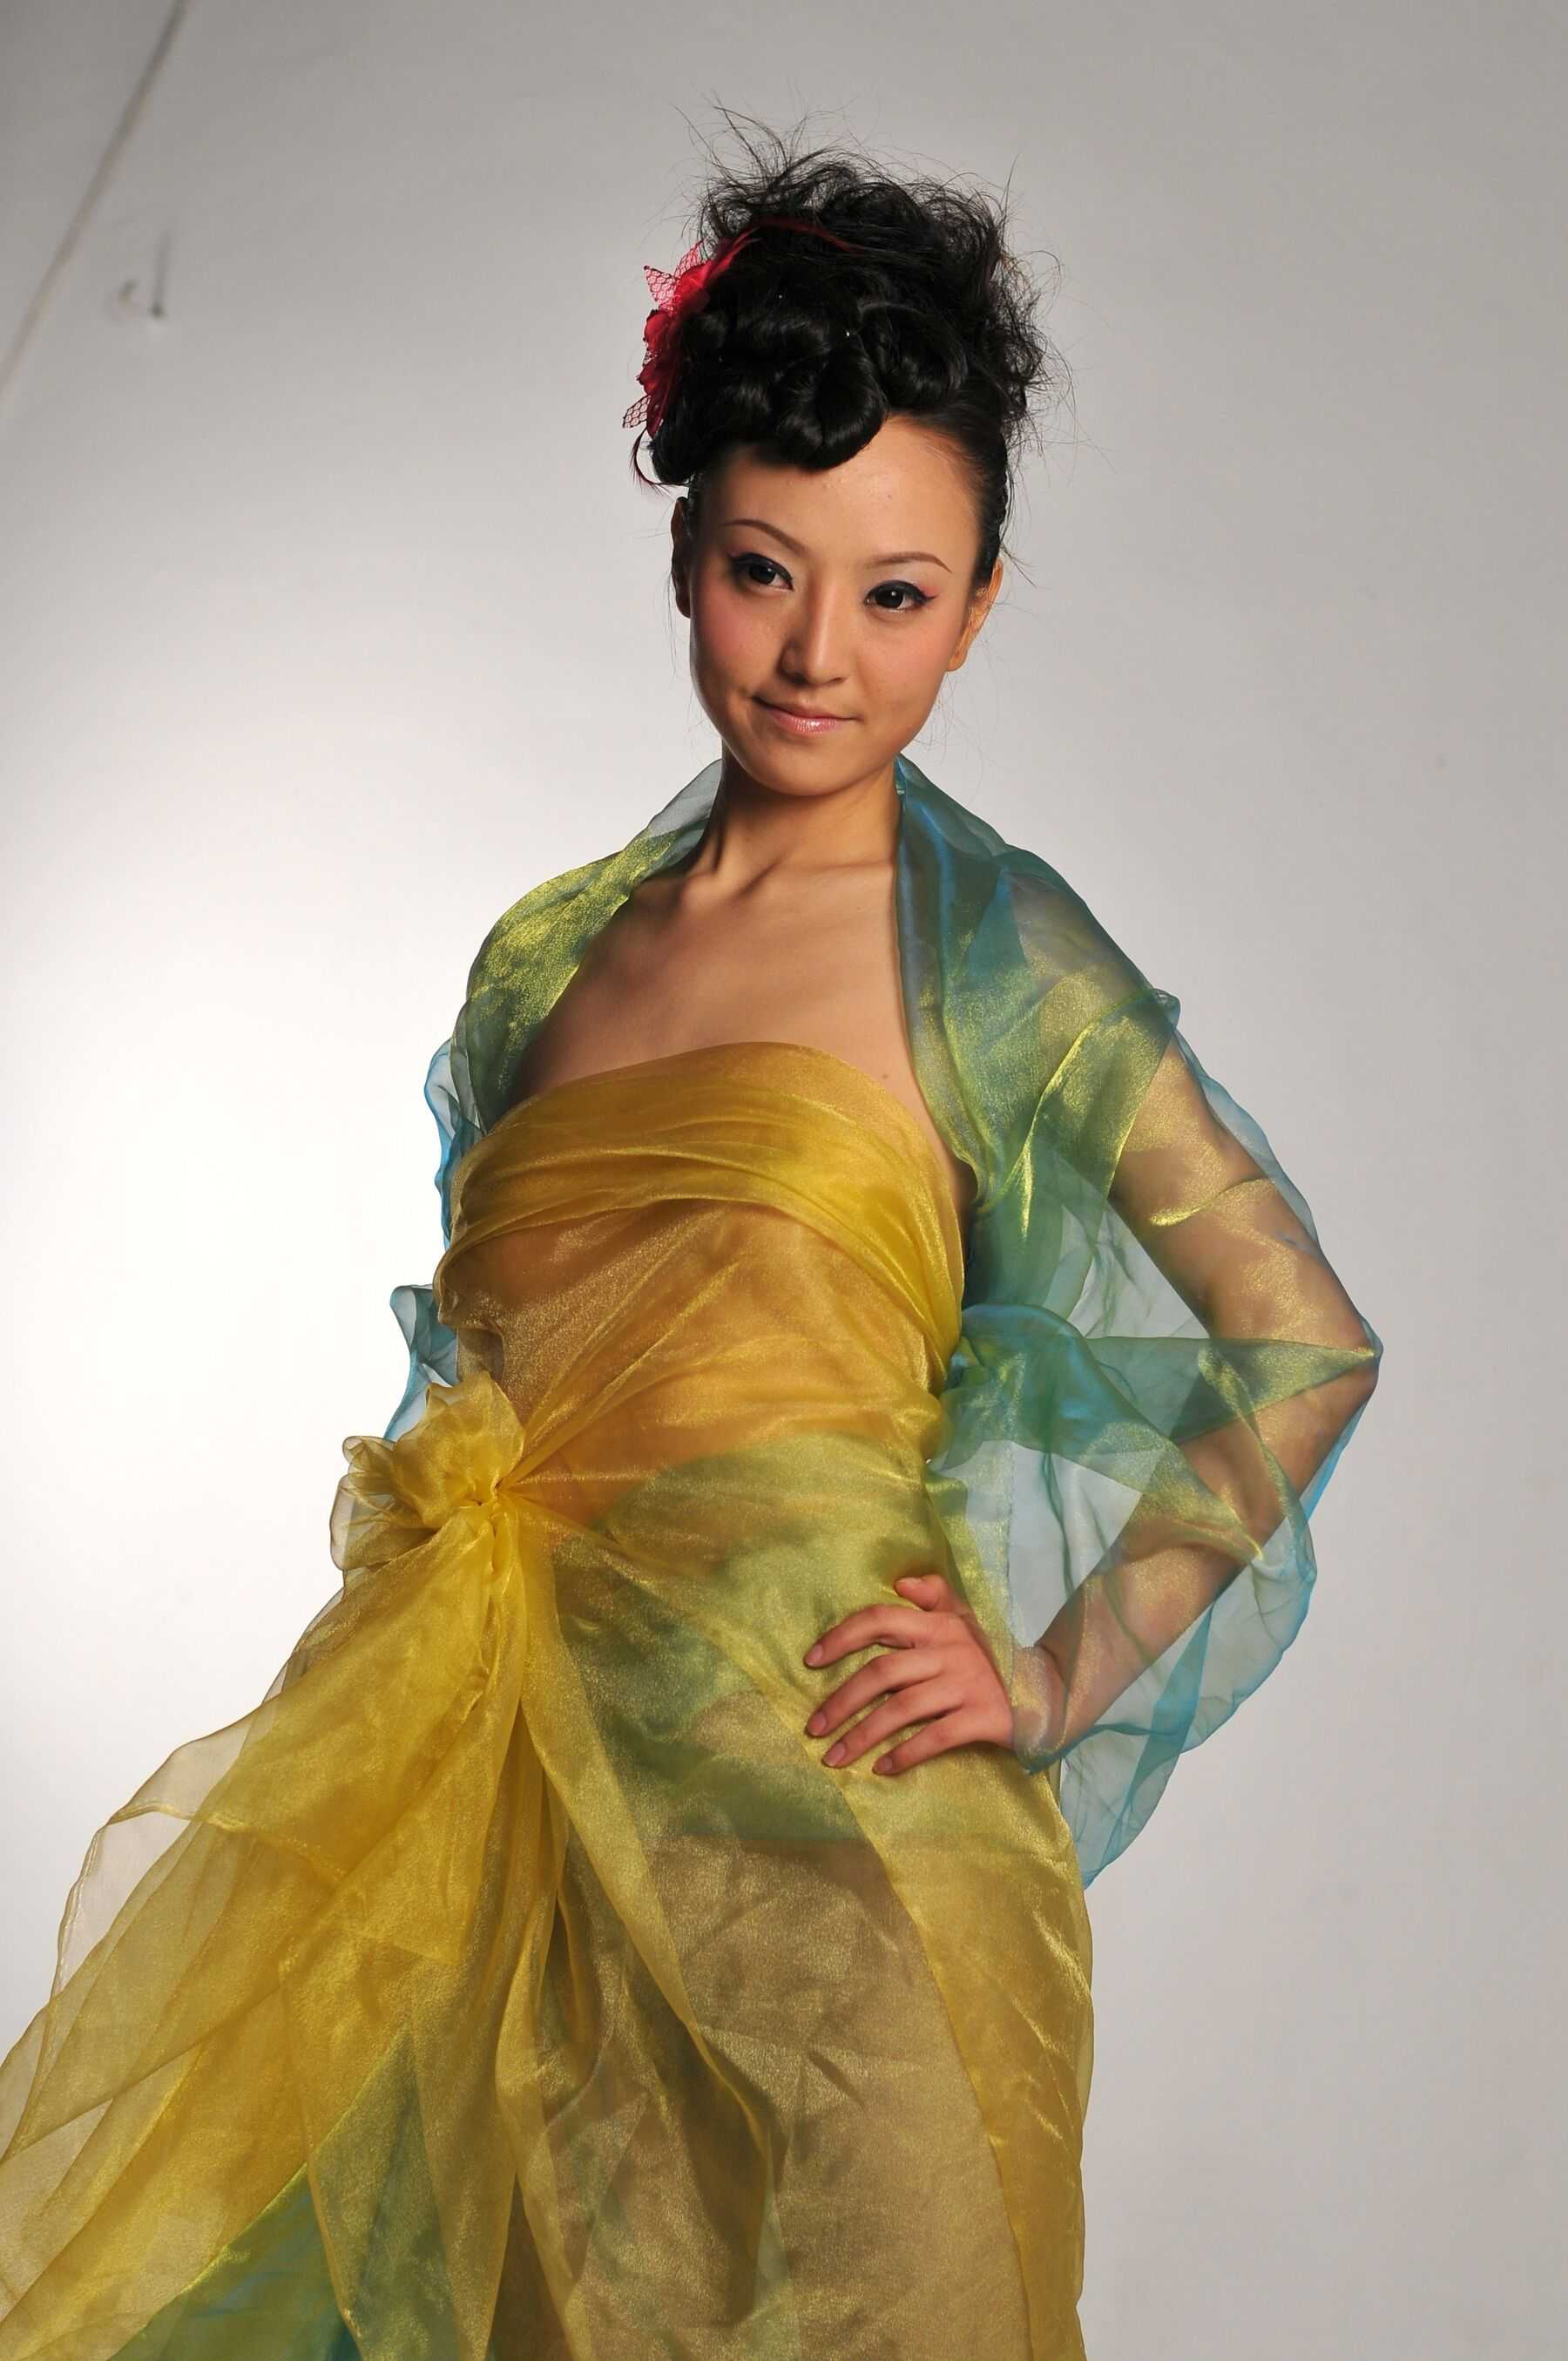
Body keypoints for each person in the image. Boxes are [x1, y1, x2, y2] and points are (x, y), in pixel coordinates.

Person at [0, 125, 1381, 2361]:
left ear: (980, 606)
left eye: (899, 595)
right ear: (683, 555)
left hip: (839, 1890)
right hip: (510, 1901)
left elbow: (1301, 1343)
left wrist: (1048, 1675)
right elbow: (482, 1415)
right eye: (764, 570)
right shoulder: (548, 967)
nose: (822, 654)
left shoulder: (993, 961)